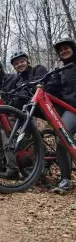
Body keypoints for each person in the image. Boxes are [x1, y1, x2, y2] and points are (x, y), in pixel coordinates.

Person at [46, 37, 76, 193]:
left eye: (66, 48)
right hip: (70, 110)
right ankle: (65, 180)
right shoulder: (60, 72)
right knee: (61, 136)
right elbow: (52, 87)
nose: (64, 51)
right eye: (61, 50)